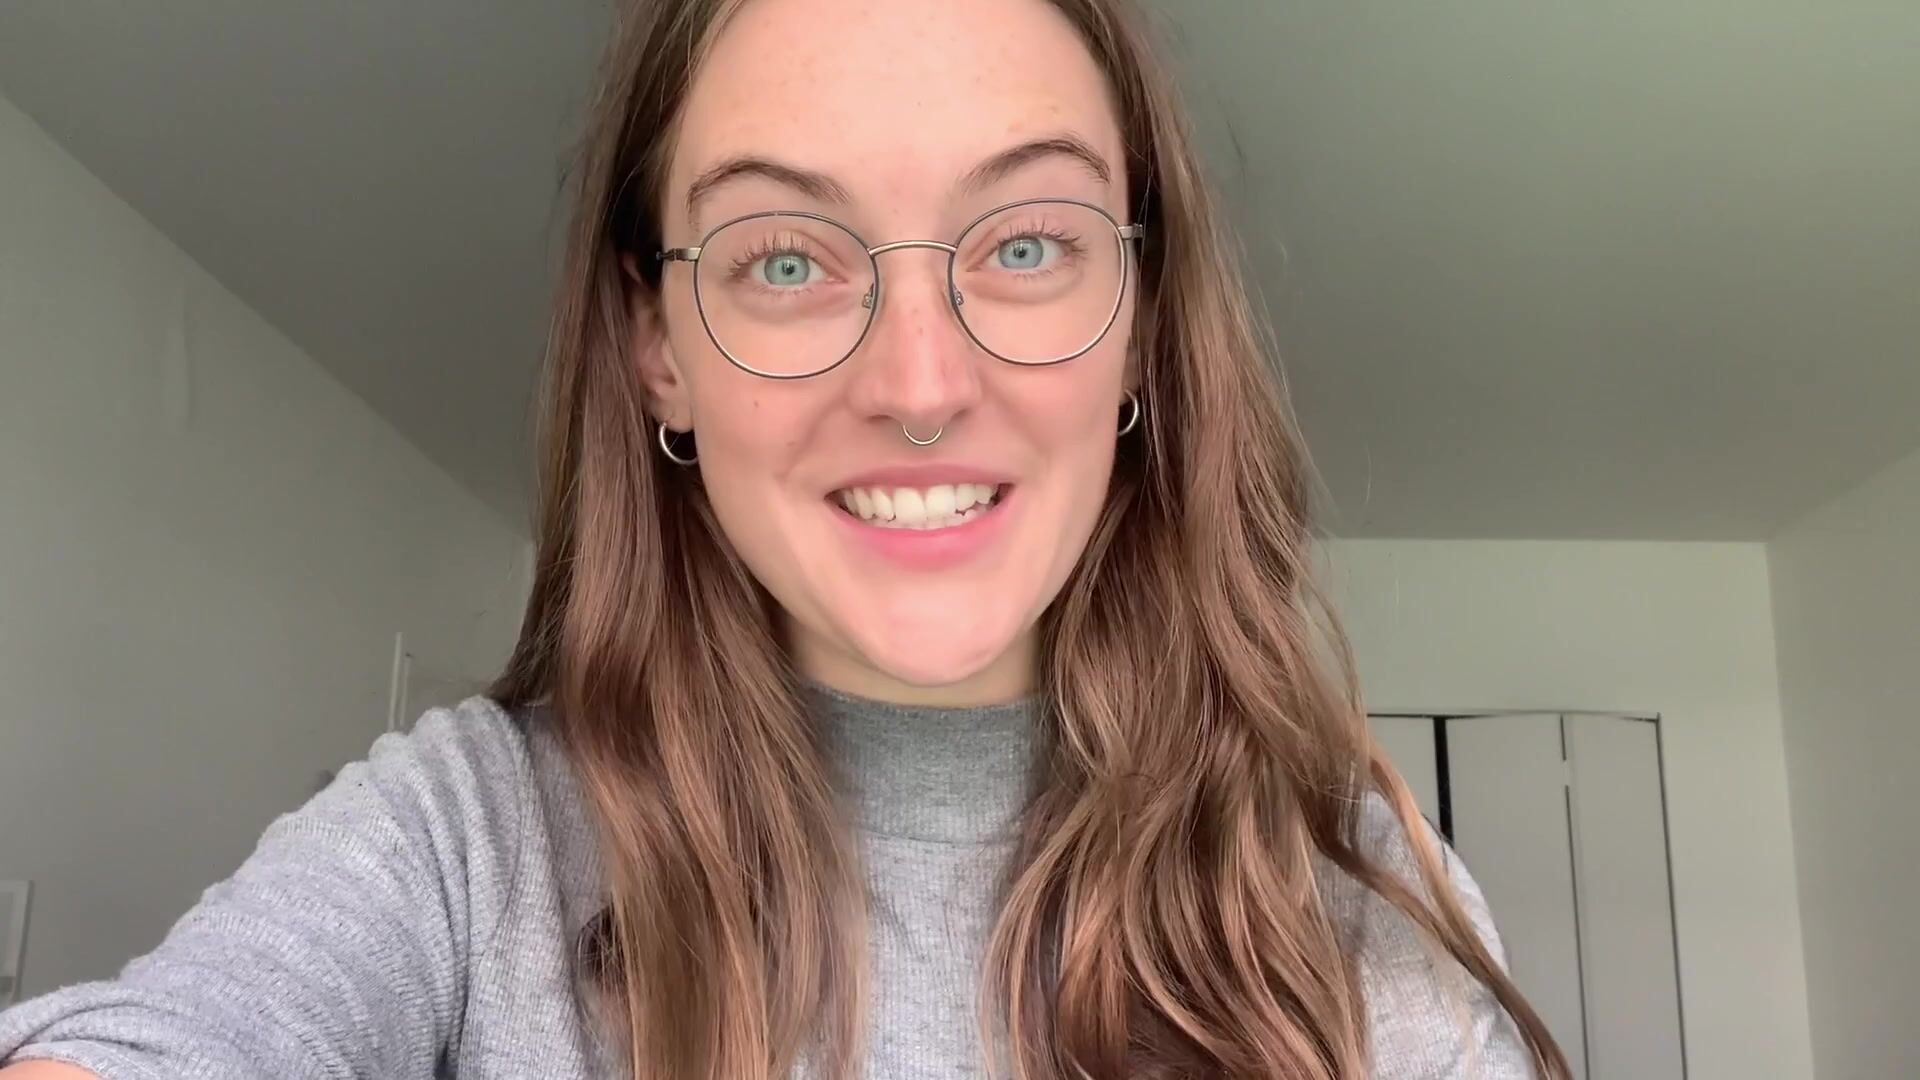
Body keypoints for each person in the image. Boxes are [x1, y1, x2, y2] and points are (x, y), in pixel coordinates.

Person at [0, 0, 1571, 1076]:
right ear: (658, 348)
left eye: (1028, 243)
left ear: (1141, 324)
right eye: (786, 260)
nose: (920, 386)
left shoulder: (1350, 897)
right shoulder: (467, 843)